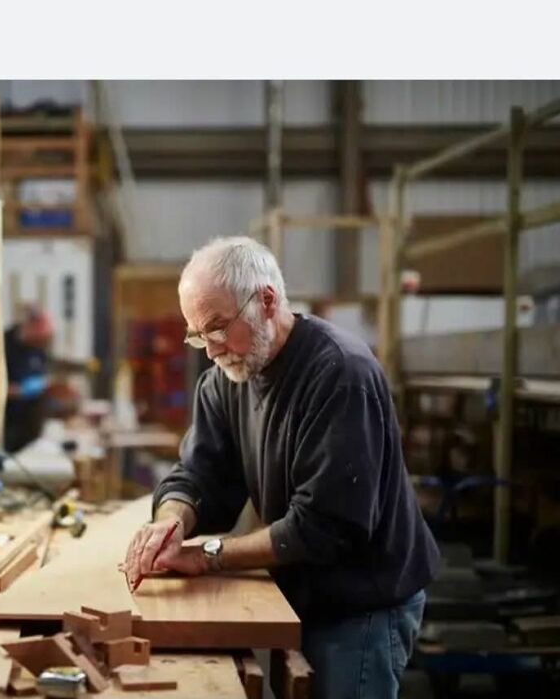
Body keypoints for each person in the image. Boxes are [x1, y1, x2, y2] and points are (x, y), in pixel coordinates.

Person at [123, 237, 439, 699]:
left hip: (363, 601)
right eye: (197, 335)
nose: (209, 350)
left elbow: (324, 528)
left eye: (217, 328)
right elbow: (200, 476)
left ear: (266, 301)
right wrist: (171, 521)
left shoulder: (340, 374)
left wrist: (207, 555)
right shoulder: (225, 379)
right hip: (300, 588)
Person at [2, 305, 53, 453]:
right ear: (29, 326)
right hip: (5, 417)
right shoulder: (4, 343)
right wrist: (10, 391)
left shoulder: (38, 349)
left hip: (27, 419)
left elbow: (42, 374)